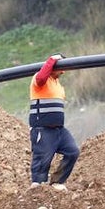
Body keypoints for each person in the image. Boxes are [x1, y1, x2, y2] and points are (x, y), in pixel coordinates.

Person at [28, 53, 80, 190]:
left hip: (58, 129)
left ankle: (57, 181)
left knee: (73, 151)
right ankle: (37, 187)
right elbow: (40, 78)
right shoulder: (40, 80)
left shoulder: (58, 85)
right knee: (42, 158)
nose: (62, 72)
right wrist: (53, 59)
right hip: (43, 128)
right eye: (60, 67)